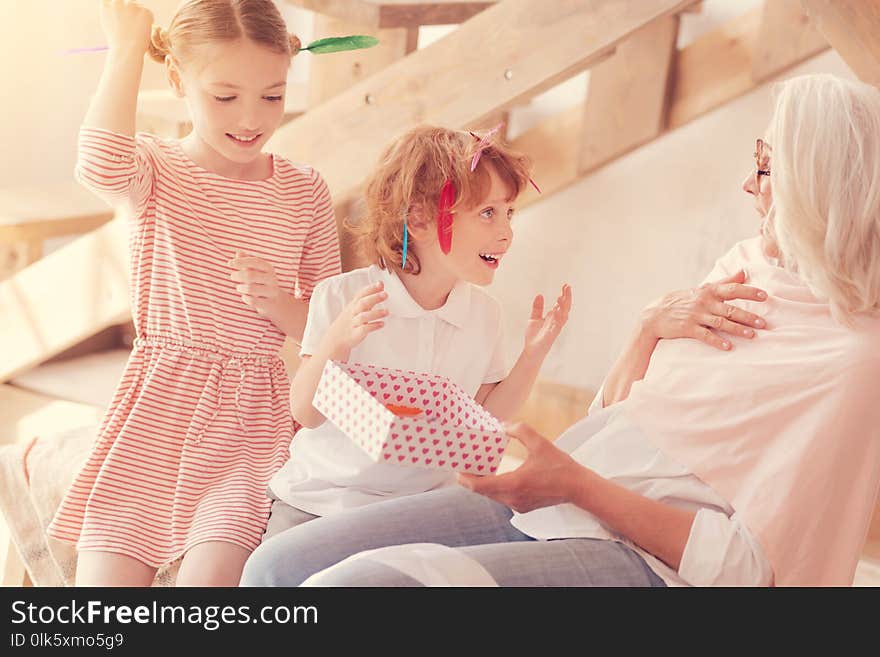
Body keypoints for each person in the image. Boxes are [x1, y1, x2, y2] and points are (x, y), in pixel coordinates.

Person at [243, 74, 880, 587]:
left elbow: (749, 570)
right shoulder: (743, 268)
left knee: (351, 590)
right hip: (412, 494)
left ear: (822, 189)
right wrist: (646, 332)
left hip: (627, 543)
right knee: (274, 568)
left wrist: (564, 456)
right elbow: (624, 425)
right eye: (486, 212)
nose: (748, 185)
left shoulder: (852, 360)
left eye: (768, 171)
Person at [48, 0, 344, 586]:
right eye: (225, 96)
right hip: (158, 403)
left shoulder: (305, 190)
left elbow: (331, 325)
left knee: (208, 585)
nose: (252, 117)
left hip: (254, 420)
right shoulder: (155, 169)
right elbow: (100, 162)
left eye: (273, 95)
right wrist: (129, 44)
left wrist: (280, 305)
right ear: (179, 80)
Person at [238, 124, 572, 582]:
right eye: (488, 213)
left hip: (416, 511)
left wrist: (532, 355)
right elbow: (306, 412)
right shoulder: (342, 296)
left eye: (510, 213)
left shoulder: (484, 315)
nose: (507, 232)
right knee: (277, 577)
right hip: (321, 501)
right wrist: (337, 340)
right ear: (417, 219)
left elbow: (485, 421)